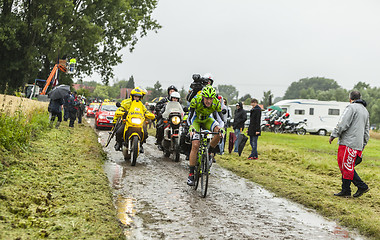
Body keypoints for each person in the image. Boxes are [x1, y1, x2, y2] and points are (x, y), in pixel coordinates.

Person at [329, 91, 370, 198]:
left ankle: (357, 187)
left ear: (350, 98)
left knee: (345, 166)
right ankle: (348, 189)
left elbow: (343, 123)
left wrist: (334, 134)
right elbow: (366, 131)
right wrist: (363, 144)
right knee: (348, 167)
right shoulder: (365, 111)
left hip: (348, 143)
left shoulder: (351, 108)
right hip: (358, 144)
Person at [187, 85, 225, 186]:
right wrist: (191, 128)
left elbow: (220, 120)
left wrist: (221, 129)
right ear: (203, 97)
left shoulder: (216, 103)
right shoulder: (196, 100)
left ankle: (209, 152)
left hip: (207, 120)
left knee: (218, 132)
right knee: (195, 145)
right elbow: (189, 117)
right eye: (207, 98)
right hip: (196, 121)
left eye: (211, 98)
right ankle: (191, 174)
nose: (209, 101)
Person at [114, 87, 154, 153]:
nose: (136, 98)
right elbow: (120, 109)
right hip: (127, 121)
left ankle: (140, 145)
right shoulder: (126, 103)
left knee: (145, 133)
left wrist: (151, 115)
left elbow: (146, 111)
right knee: (119, 131)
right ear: (132, 96)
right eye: (135, 96)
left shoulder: (141, 105)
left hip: (138, 122)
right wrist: (122, 112)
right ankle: (118, 143)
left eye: (138, 97)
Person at [155, 85, 178, 150]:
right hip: (166, 117)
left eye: (173, 91)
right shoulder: (164, 100)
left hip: (175, 119)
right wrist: (162, 107)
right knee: (160, 126)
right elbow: (158, 106)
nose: (172, 92)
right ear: (168, 92)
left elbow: (181, 109)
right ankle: (159, 142)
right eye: (171, 91)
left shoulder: (177, 101)